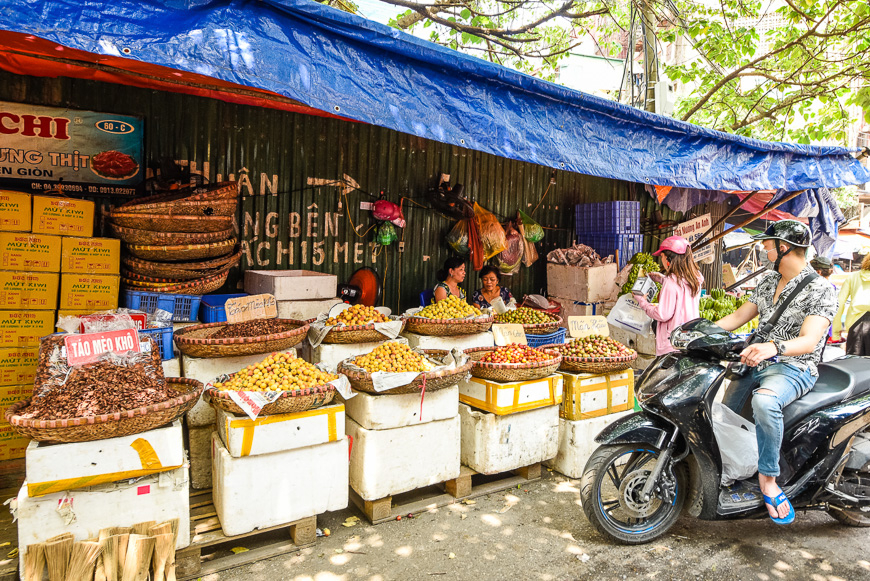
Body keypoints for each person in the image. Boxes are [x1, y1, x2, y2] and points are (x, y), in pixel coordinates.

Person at [716, 220, 837, 524]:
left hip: (794, 366)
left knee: (765, 403)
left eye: (768, 244)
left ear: (784, 248)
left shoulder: (821, 289)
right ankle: (733, 468)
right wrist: (696, 331)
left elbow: (810, 340)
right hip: (755, 359)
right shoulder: (769, 281)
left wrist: (775, 347)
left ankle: (769, 479)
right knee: (725, 413)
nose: (764, 248)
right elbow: (738, 316)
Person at [631, 236, 703, 356]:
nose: (661, 260)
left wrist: (642, 301)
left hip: (672, 345)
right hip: (690, 340)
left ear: (668, 259)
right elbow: (680, 289)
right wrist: (662, 279)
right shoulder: (695, 279)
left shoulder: (671, 283)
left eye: (662, 256)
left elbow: (662, 314)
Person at [832, 253, 870, 355]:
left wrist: (836, 331)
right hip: (858, 323)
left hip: (856, 324)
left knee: (854, 364)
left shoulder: (853, 277)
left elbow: (839, 303)